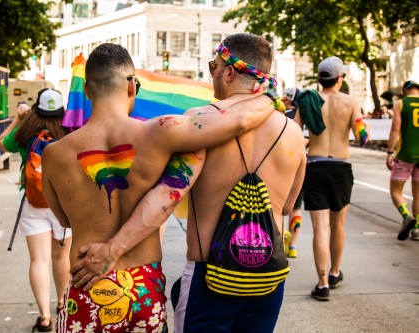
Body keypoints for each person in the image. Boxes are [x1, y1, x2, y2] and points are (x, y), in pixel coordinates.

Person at [65, 34, 306, 333]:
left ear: (229, 72)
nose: (212, 74)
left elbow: (167, 196)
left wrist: (114, 248)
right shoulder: (293, 132)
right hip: (268, 279)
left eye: (212, 67)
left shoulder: (202, 125)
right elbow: (287, 206)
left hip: (210, 280)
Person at [294, 56, 370, 301]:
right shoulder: (350, 102)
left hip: (315, 166)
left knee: (319, 228)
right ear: (340, 78)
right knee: (338, 224)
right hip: (341, 168)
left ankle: (323, 283)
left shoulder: (308, 101)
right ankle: (336, 272)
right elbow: (362, 136)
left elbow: (295, 134)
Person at [0, 89, 72, 332]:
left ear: (37, 108)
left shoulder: (27, 131)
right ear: (62, 110)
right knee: (61, 257)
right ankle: (62, 305)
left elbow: (1, 143)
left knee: (38, 259)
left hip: (32, 200)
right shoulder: (70, 130)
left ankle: (44, 317)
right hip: (62, 202)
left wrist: (18, 119)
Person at [386, 80, 419, 241]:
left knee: (396, 191)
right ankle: (417, 228)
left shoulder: (400, 104)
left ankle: (406, 216)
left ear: (405, 90)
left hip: (405, 155)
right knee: (418, 194)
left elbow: (395, 129)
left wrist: (390, 152)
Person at [282, 87, 304, 258]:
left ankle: (281, 239)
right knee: (296, 208)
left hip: (283, 165)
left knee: (279, 206)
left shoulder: (283, 115)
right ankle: (294, 246)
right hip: (301, 167)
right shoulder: (305, 116)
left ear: (288, 98)